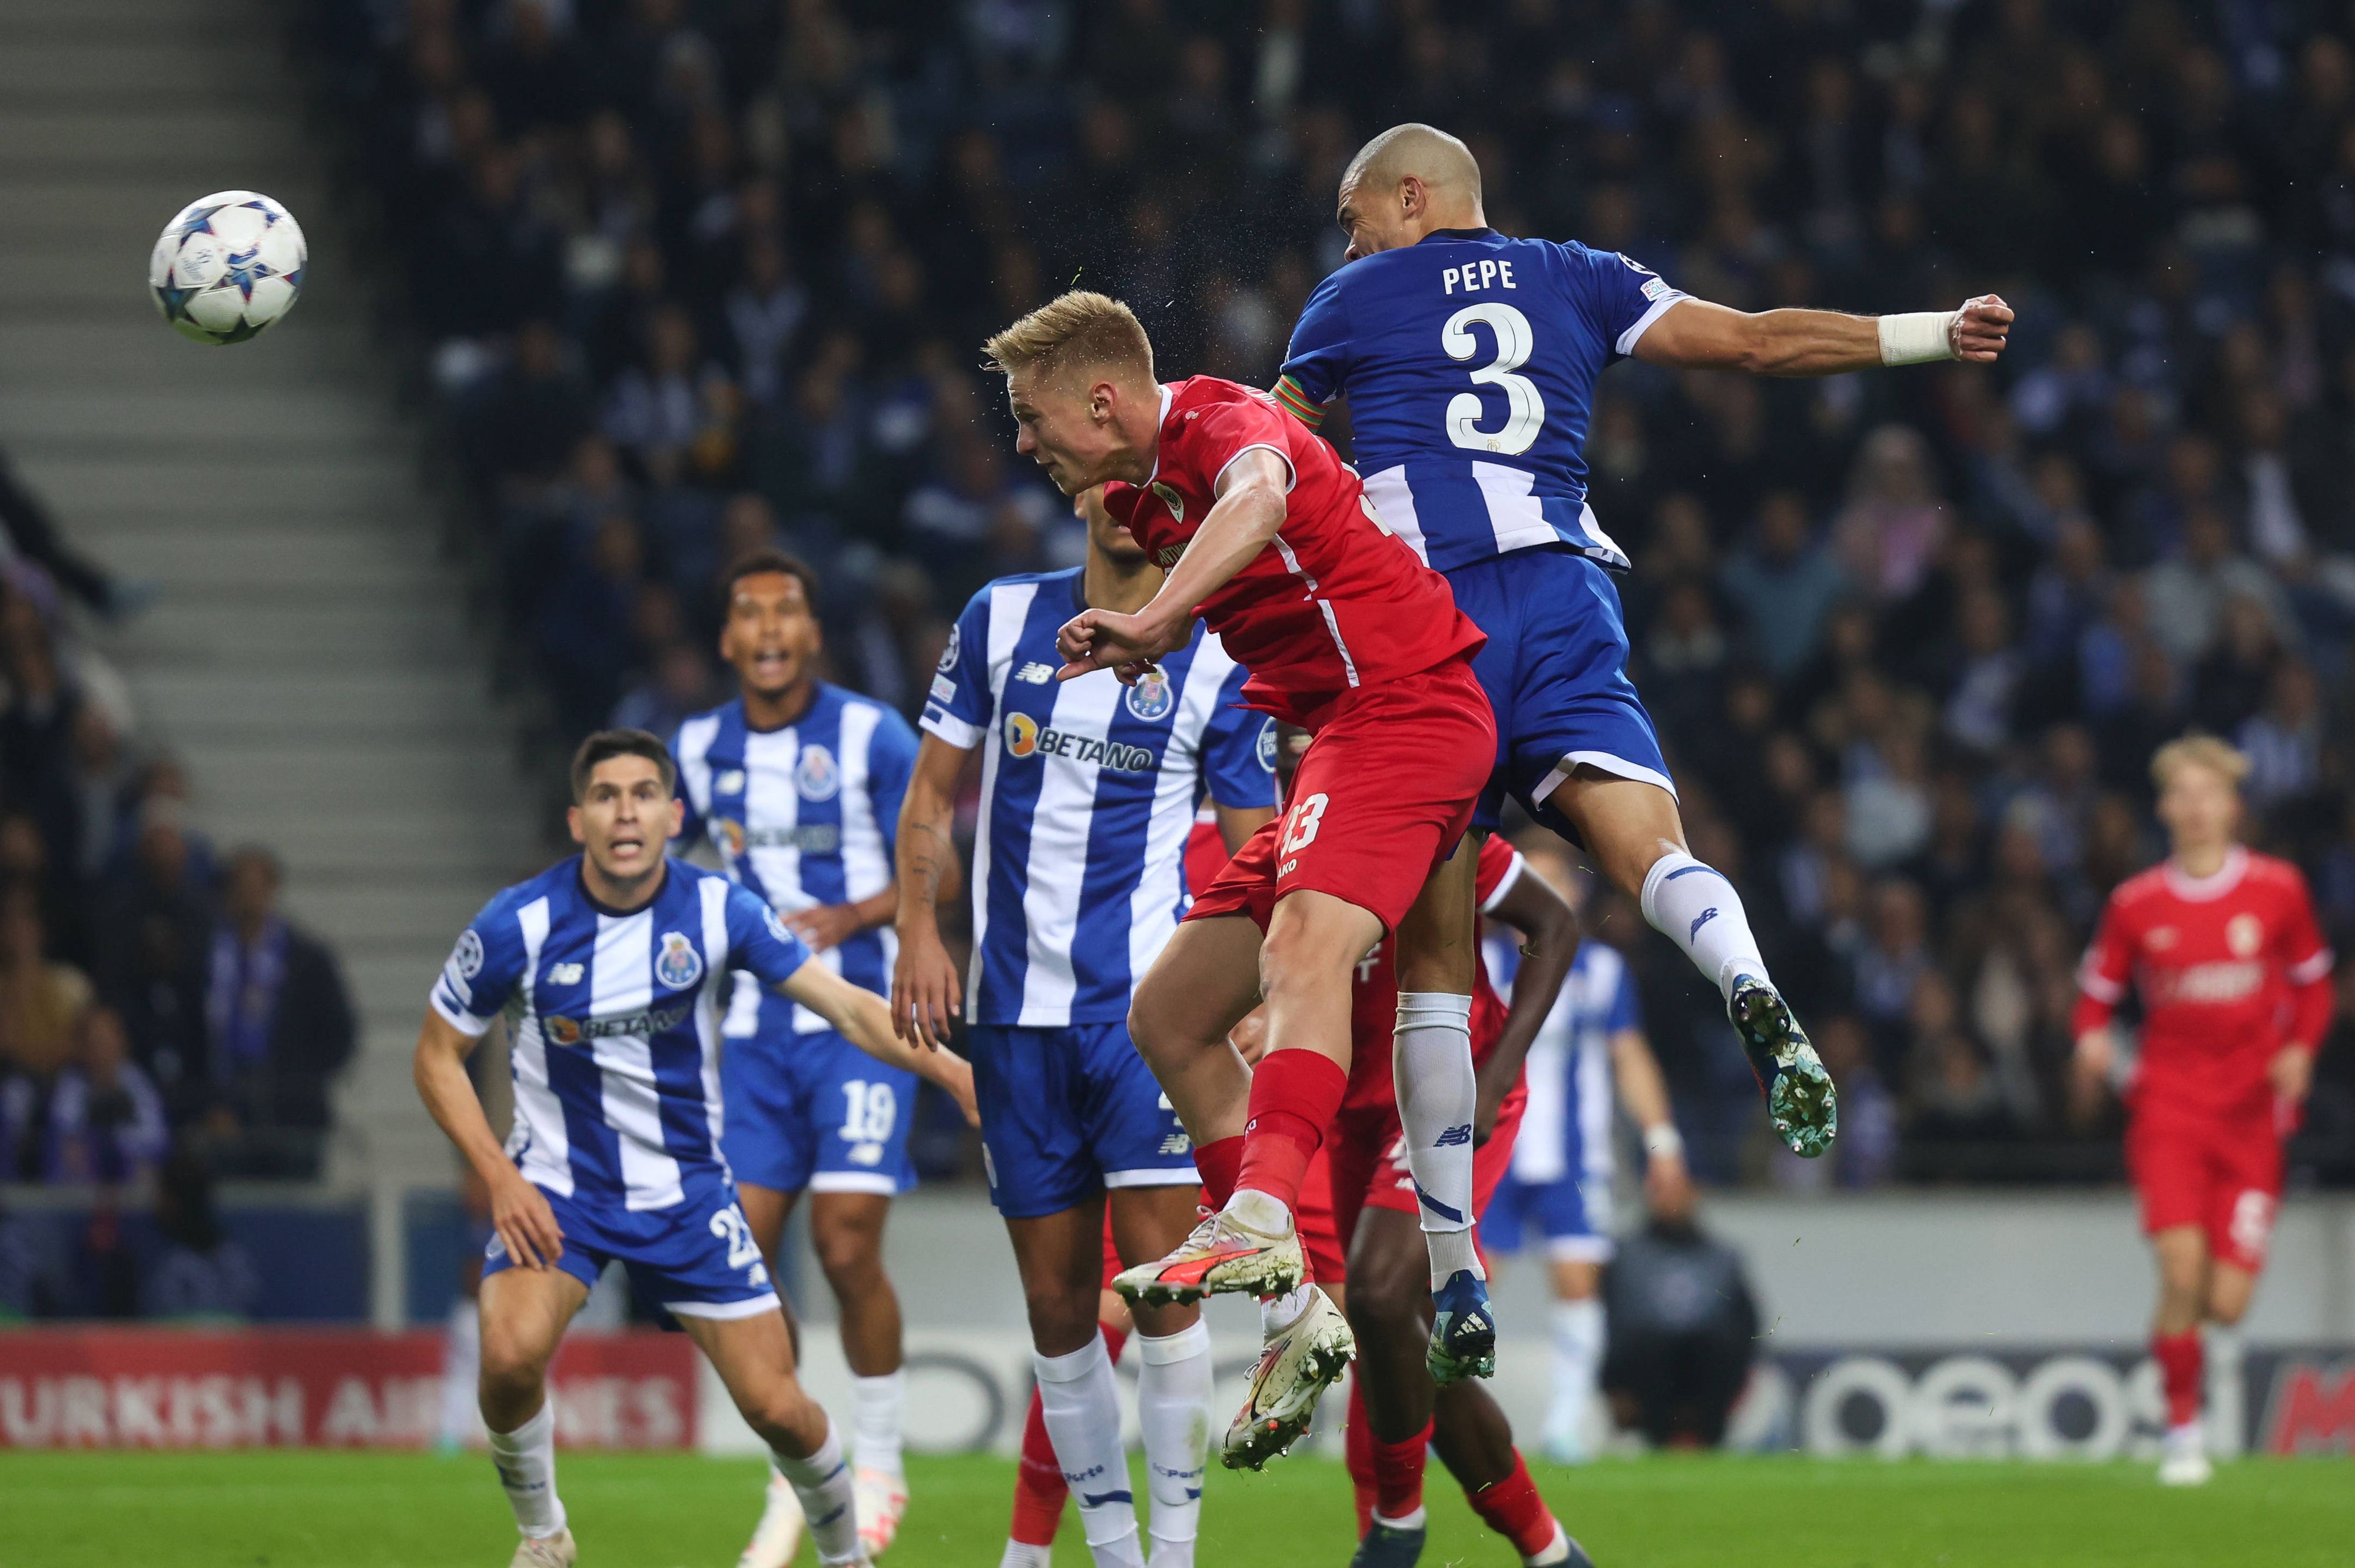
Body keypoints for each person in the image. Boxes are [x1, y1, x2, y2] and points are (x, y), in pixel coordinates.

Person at [1273, 124, 2016, 1160]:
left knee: (1433, 947)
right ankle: (1743, 978)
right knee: (1654, 851)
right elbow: (1758, 341)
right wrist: (1934, 330)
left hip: (1431, 622)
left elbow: (1273, 459)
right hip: (1568, 592)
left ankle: (1456, 1274)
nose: (1347, 249)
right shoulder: (1583, 274)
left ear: (1410, 197)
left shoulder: (1349, 299)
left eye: (1354, 224)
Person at [953, 290, 1495, 1465]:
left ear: (1103, 398)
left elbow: (1260, 496)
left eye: (1031, 416)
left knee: (1302, 946)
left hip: (1404, 712)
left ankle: (1254, 1213)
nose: (1021, 444)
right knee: (1172, 1013)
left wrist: (1150, 620)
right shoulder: (1144, 498)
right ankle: (1294, 1310)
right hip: (1340, 743)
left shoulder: (1218, 424)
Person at [413, 730, 976, 1568]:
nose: (626, 811)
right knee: (507, 1359)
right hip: (559, 1192)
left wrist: (959, 1074)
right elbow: (434, 1055)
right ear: (579, 821)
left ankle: (845, 1555)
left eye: (644, 794)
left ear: (674, 816)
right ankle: (543, 1537)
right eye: (606, 796)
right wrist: (499, 1176)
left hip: (687, 1200)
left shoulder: (717, 911)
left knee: (779, 1410)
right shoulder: (518, 923)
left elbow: (849, 1007)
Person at [896, 486, 1277, 1568]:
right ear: (1077, 492)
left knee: (1162, 1294)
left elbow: (1258, 856)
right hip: (1012, 1020)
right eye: (1108, 487)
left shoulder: (1219, 660)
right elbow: (933, 790)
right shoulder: (998, 618)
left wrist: (1238, 1004)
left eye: (1154, 491)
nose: (1127, 508)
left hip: (1137, 1023)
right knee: (1059, 1307)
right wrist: (918, 926)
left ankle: (1173, 1555)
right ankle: (1111, 1550)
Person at [671, 549, 926, 1562]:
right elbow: (664, 867)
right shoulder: (695, 747)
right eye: (749, 612)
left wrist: (856, 914)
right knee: (740, 1260)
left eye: (788, 611)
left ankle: (883, 1463)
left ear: (814, 632)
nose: (770, 628)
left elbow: (934, 857)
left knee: (849, 1241)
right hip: (755, 1034)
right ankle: (799, 1466)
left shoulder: (871, 731)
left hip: (863, 1016)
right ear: (727, 638)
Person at [1309, 737, 1591, 1568]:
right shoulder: (1284, 843)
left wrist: (1497, 1075)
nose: (1298, 765)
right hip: (1353, 1112)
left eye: (1310, 745)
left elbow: (1555, 924)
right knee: (1397, 1334)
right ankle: (1548, 1549)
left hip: (1444, 1091)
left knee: (1380, 1290)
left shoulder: (1431, 823)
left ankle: (1396, 1526)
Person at [2071, 735, 2333, 1486]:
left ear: (2231, 804)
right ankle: (2182, 1434)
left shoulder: (2277, 891)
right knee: (2181, 1271)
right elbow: (2094, 999)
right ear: (2164, 807)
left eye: (2207, 793)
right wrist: (2091, 1043)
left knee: (2227, 1303)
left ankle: (2191, 1370)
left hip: (2253, 1118)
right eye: (2180, 793)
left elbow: (2314, 985)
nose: (2193, 807)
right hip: (2170, 1111)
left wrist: (2302, 1050)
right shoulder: (2136, 904)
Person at [1481, 841, 1693, 1466]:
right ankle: (1451, 1420)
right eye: (1531, 883)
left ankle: (1566, 1426)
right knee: (1472, 1283)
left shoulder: (1601, 971)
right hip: (1493, 1149)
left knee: (1577, 1284)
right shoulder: (1483, 962)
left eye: (1555, 884)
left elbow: (1629, 1056)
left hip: (1576, 1160)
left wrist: (1662, 1143)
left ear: (1576, 895)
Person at [199, 845, 358, 1178]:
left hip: (294, 1117)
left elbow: (341, 1033)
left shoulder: (306, 959)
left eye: (256, 886)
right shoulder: (208, 957)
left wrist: (302, 1081)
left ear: (273, 889)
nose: (248, 897)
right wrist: (210, 1102)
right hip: (227, 1115)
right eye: (241, 887)